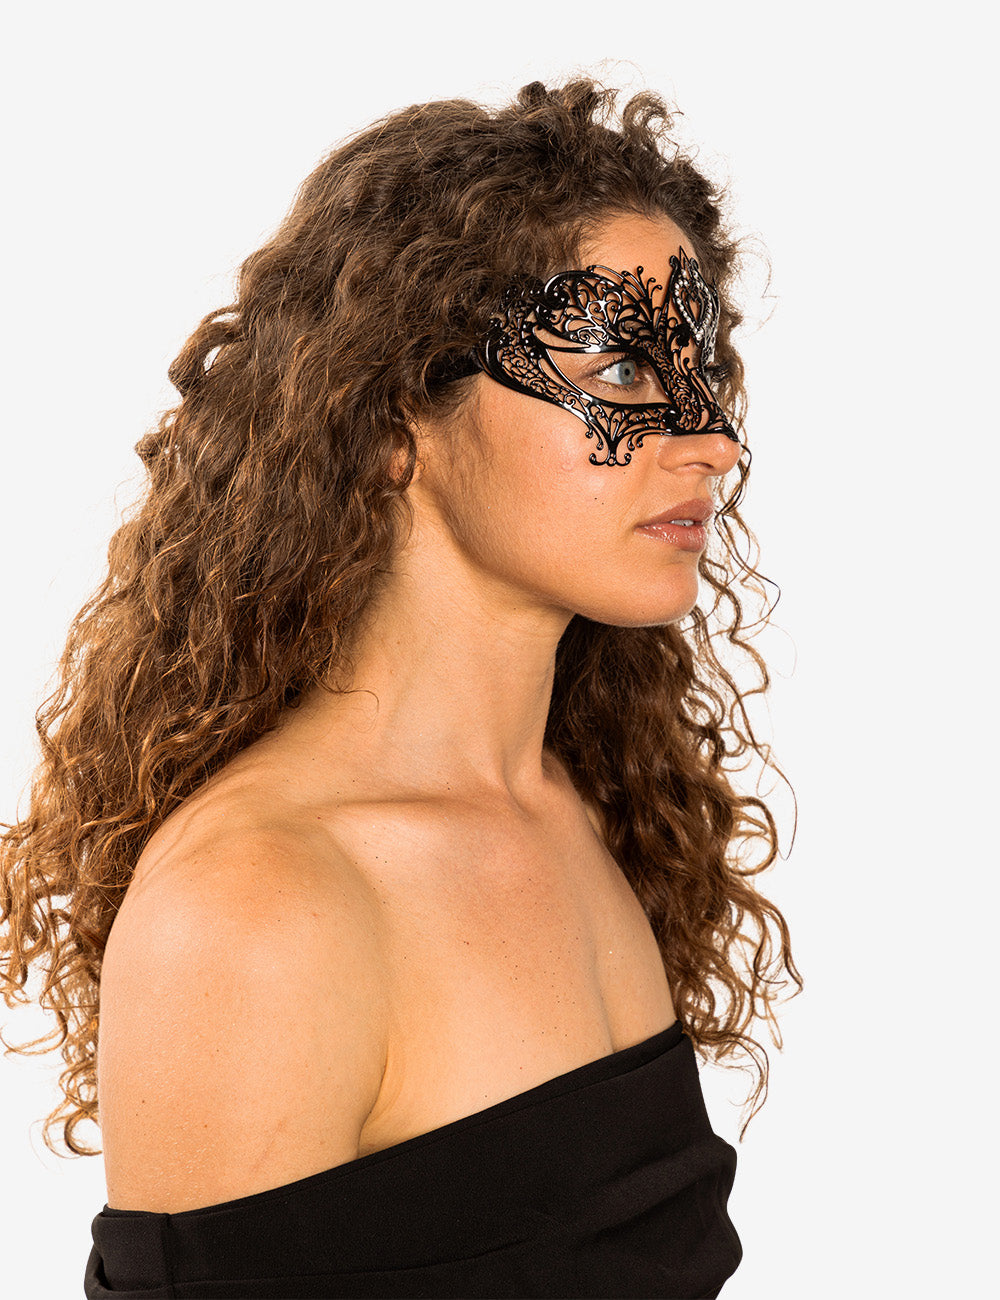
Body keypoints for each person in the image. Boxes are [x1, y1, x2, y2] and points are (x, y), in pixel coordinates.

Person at [0, 75, 802, 1298]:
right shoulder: (256, 909)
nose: (711, 437)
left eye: (705, 370)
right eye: (621, 372)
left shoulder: (585, 809)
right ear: (394, 423)